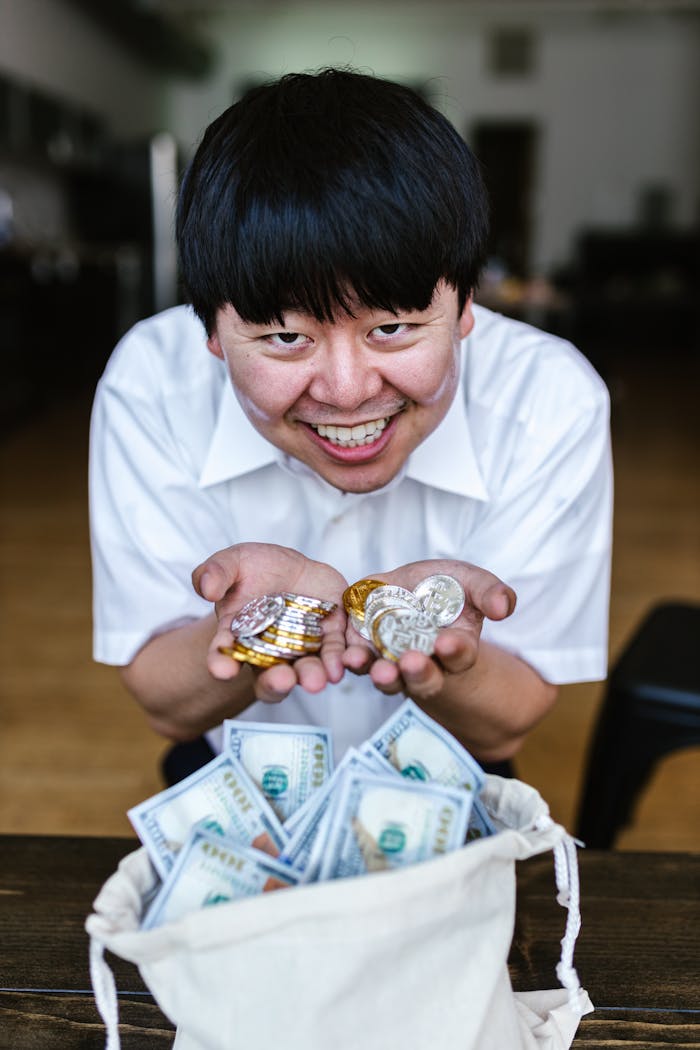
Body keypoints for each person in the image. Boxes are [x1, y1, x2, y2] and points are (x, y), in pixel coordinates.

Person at [89, 68, 612, 783]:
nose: (345, 392)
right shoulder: (151, 382)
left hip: (449, 775)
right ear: (212, 331)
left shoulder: (550, 398)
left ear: (464, 309)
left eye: (392, 327)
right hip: (231, 776)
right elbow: (167, 706)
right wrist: (247, 635)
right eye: (285, 338)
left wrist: (438, 661)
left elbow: (509, 720)